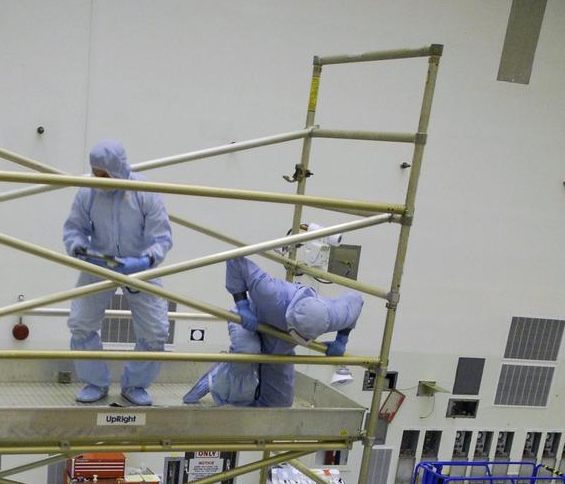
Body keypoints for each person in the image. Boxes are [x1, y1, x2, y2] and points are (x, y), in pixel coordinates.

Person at [63, 140, 172, 408]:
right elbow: (74, 227)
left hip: (140, 268)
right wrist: (78, 247)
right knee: (80, 323)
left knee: (155, 331)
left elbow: (162, 237)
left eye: (103, 174)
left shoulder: (145, 191)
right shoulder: (88, 192)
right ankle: (95, 382)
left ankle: (134, 385)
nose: (98, 179)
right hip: (98, 264)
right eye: (94, 173)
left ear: (117, 169)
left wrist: (146, 259)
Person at [183, 256, 363, 408]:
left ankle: (248, 400)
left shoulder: (332, 315)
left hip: (280, 343)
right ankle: (215, 378)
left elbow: (356, 299)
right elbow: (235, 260)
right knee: (248, 354)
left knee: (279, 403)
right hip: (250, 322)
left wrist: (341, 340)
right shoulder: (270, 293)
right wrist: (242, 305)